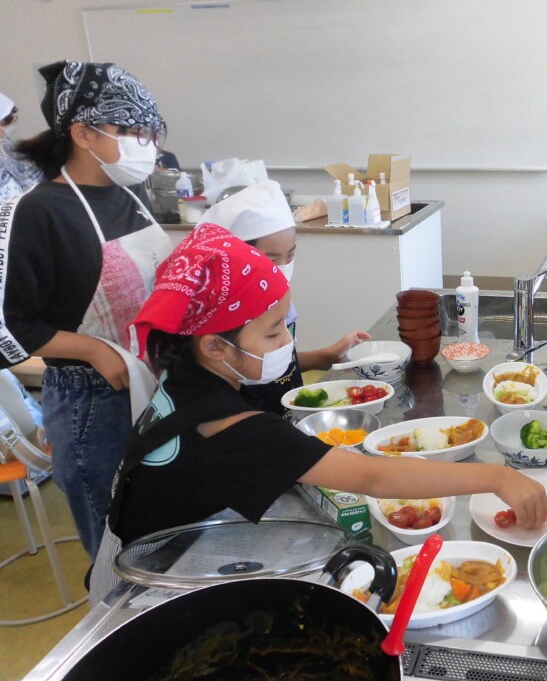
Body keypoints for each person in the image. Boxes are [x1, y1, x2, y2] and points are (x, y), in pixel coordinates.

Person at [89, 224, 547, 602]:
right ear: (213, 346)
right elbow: (372, 477)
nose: (286, 345)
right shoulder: (232, 429)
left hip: (144, 545)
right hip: (146, 585)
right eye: (273, 334)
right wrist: (496, 478)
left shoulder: (186, 374)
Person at [3, 61, 171, 559]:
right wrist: (94, 351)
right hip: (91, 402)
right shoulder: (40, 210)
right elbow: (15, 324)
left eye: (150, 133)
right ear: (83, 134)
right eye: (132, 131)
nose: (146, 144)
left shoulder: (130, 195)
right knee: (115, 544)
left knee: (158, 528)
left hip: (152, 380)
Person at [200, 180, 370, 416]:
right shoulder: (227, 319)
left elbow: (278, 363)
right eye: (270, 260)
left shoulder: (280, 302)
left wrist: (328, 355)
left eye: (290, 256)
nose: (282, 267)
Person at [0, 92, 45, 202]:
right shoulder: (4, 150)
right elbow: (35, 182)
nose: (13, 122)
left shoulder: (5, 147)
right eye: (7, 119)